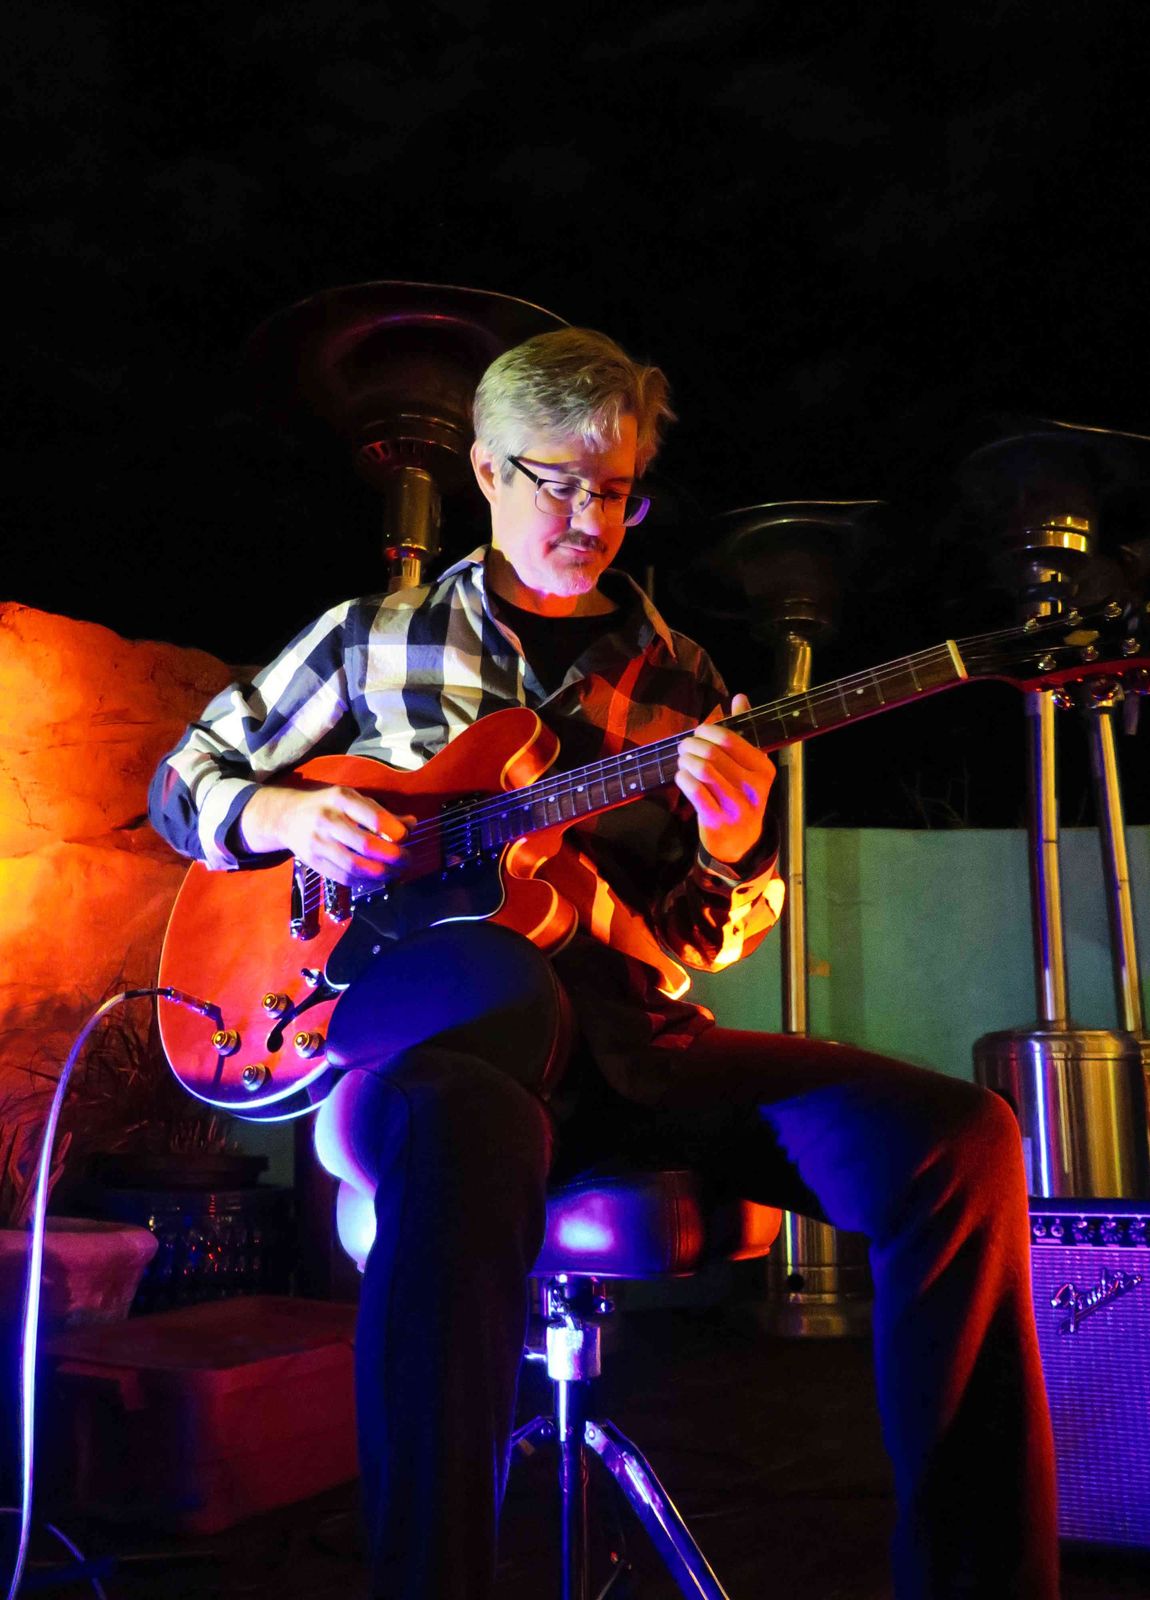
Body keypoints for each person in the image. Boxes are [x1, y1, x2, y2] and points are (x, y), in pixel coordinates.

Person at [149, 327, 1058, 1600]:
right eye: (560, 483)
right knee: (469, 1074)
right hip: (442, 1044)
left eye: (618, 490)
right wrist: (286, 814)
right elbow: (185, 779)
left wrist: (737, 850)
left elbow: (703, 938)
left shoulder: (683, 676)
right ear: (486, 468)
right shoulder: (369, 638)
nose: (591, 519)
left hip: (634, 1042)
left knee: (960, 1138)